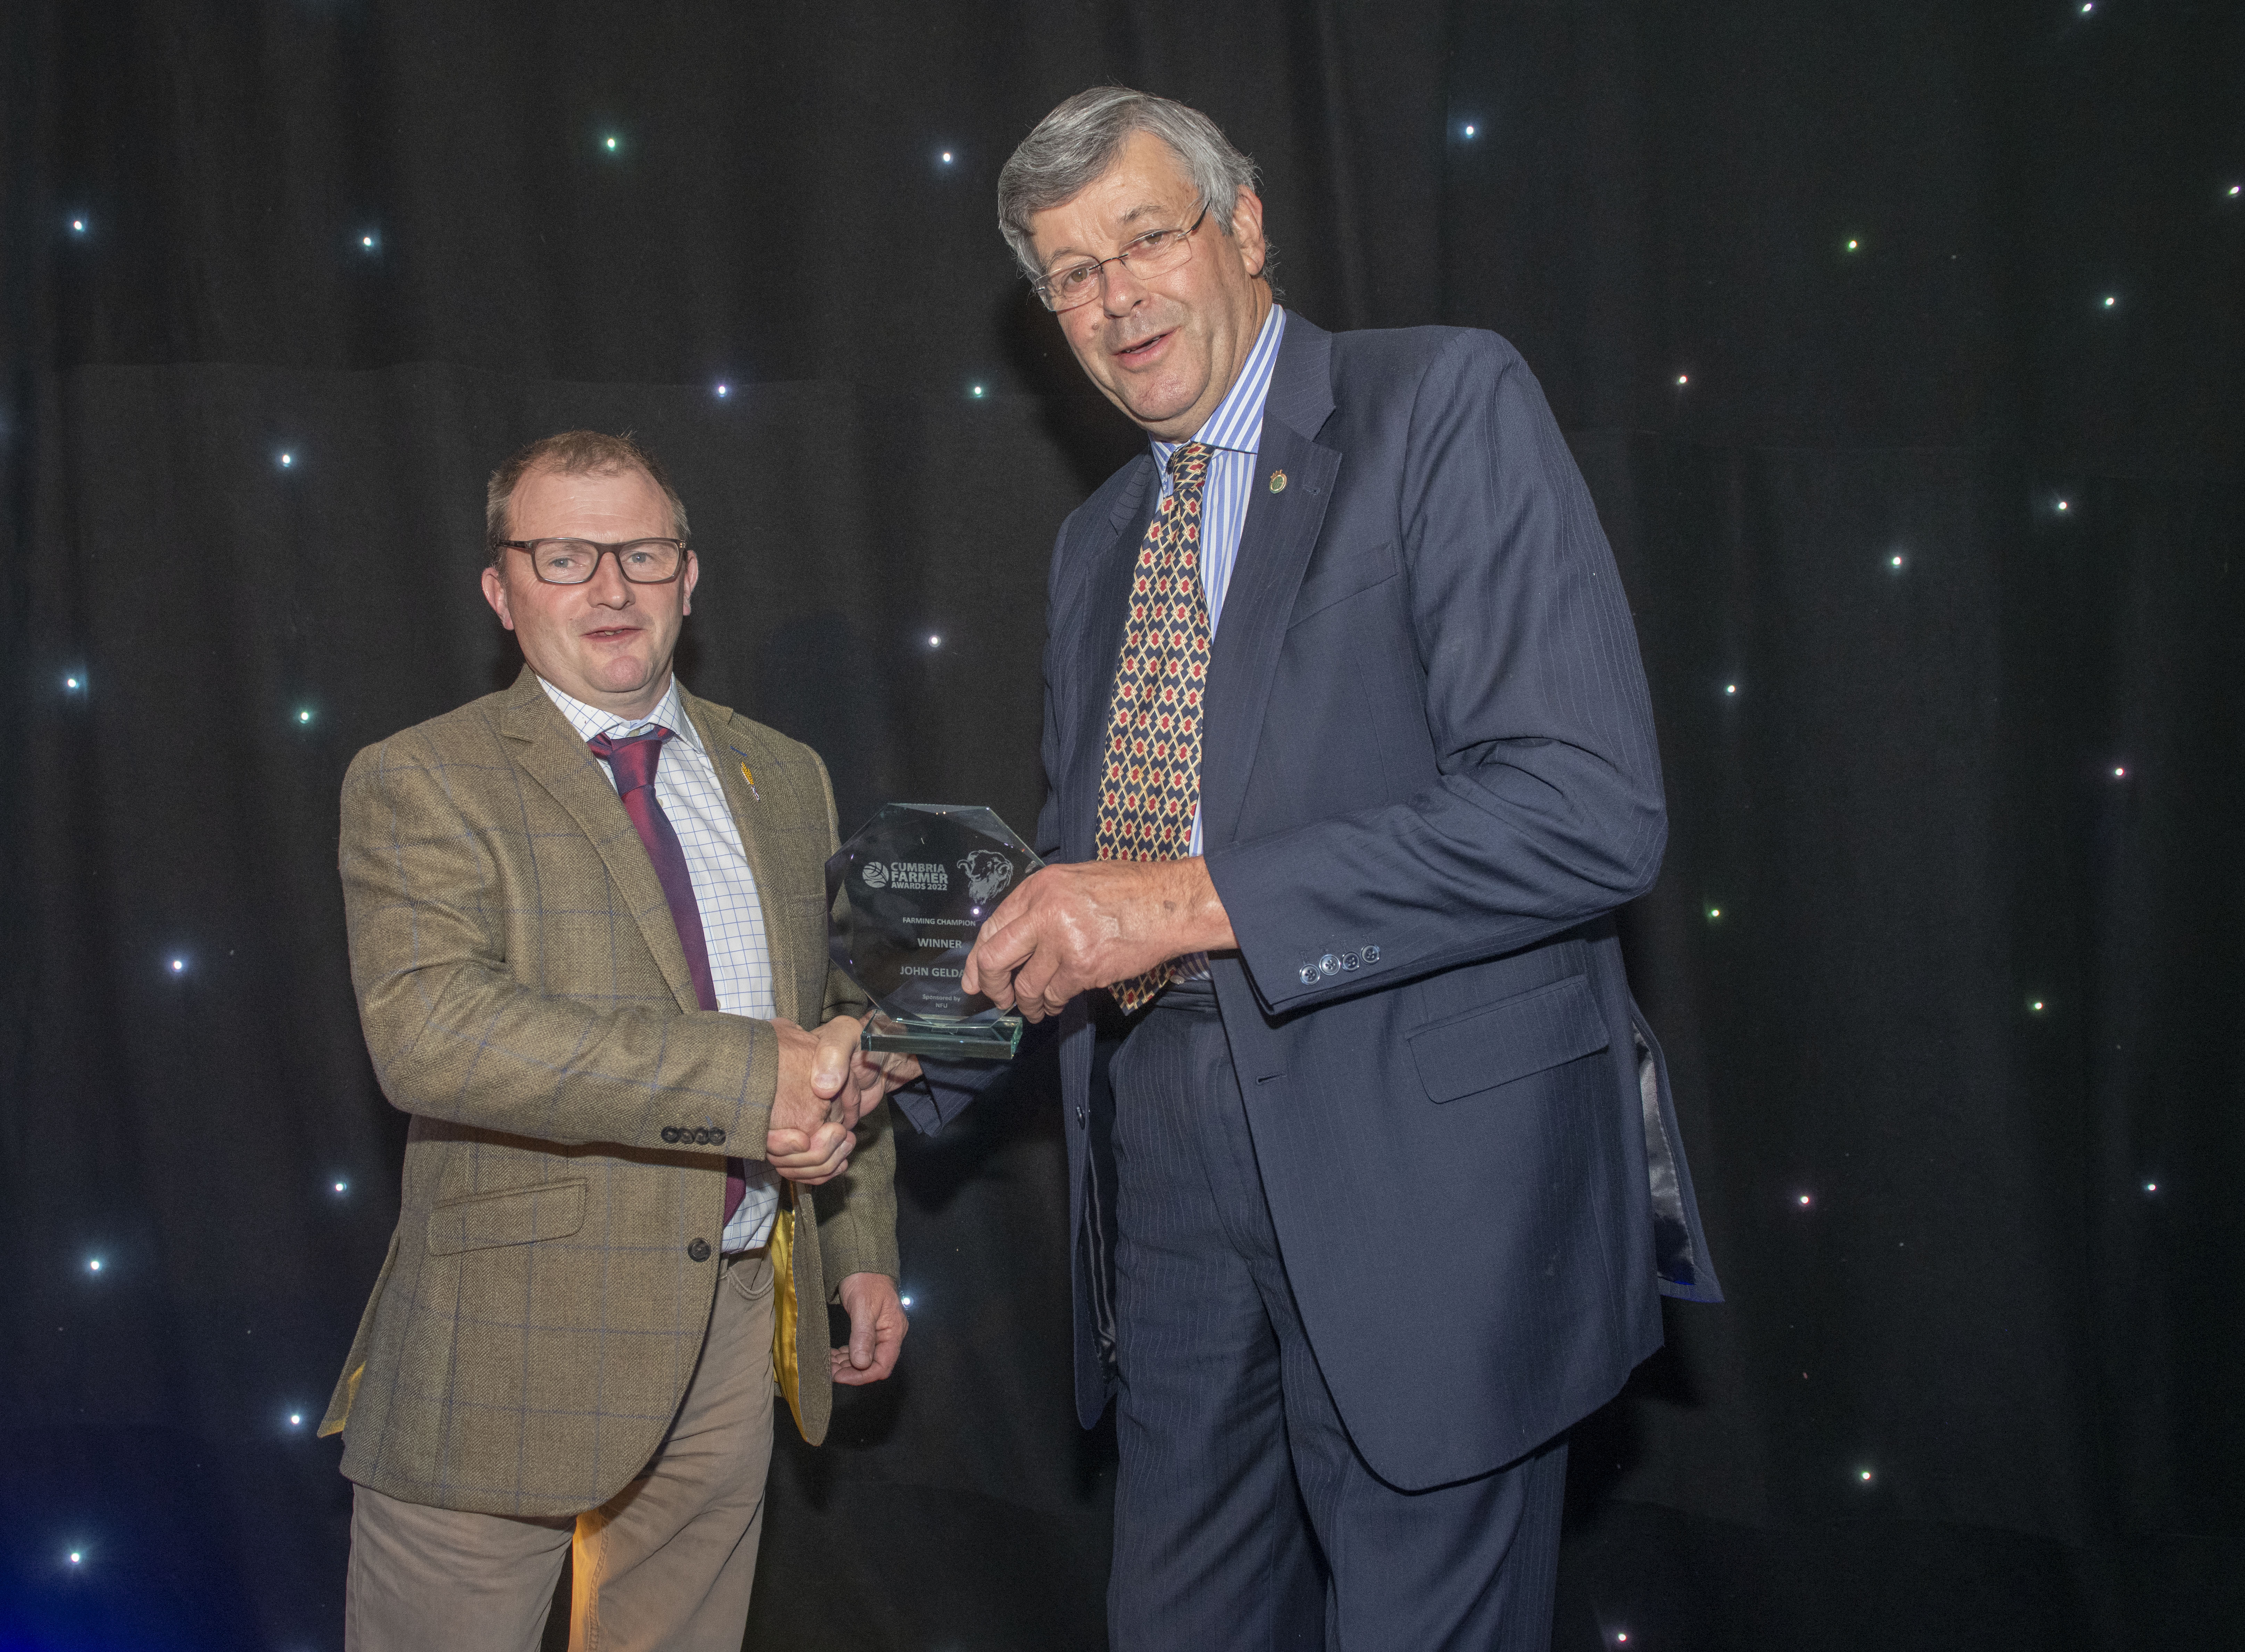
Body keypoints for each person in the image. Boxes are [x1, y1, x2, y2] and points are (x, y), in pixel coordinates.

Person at [906, 89, 1722, 1649]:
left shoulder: (1440, 401)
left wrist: (1186, 899)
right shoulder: (1093, 548)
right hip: (1169, 1178)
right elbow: (1084, 882)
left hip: (1423, 1173)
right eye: (1068, 274)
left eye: (1145, 236)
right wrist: (897, 1056)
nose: (1114, 294)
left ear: (1248, 227)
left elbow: (1583, 809)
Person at [318, 429, 911, 1652]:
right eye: (565, 555)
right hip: (506, 1341)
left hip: (743, 1318)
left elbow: (836, 1017)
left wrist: (855, 1243)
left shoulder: (783, 773)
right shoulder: (422, 778)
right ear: (501, 588)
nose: (609, 588)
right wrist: (757, 1078)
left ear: (689, 578)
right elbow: (433, 1035)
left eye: (641, 553)